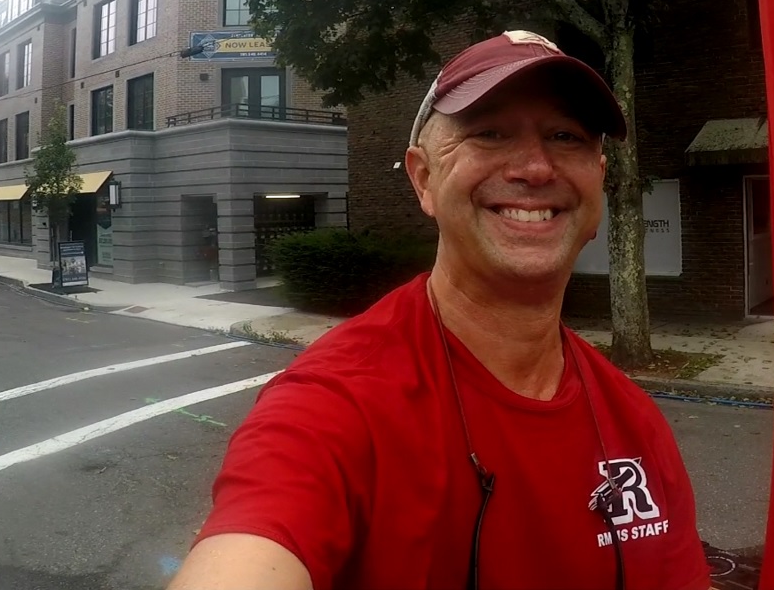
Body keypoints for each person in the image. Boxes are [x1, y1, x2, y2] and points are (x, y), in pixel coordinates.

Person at [168, 30, 713, 590]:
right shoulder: (336, 404)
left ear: (598, 183)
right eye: (490, 133)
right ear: (424, 178)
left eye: (565, 136)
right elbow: (251, 547)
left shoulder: (637, 425)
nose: (535, 167)